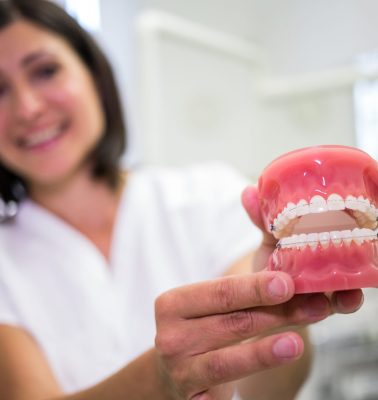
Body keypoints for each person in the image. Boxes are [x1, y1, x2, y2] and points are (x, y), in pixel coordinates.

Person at [0, 1, 363, 399]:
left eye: (45, 71)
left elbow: (269, 392)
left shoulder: (208, 196)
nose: (28, 108)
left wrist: (277, 315)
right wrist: (161, 378)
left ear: (93, 72)